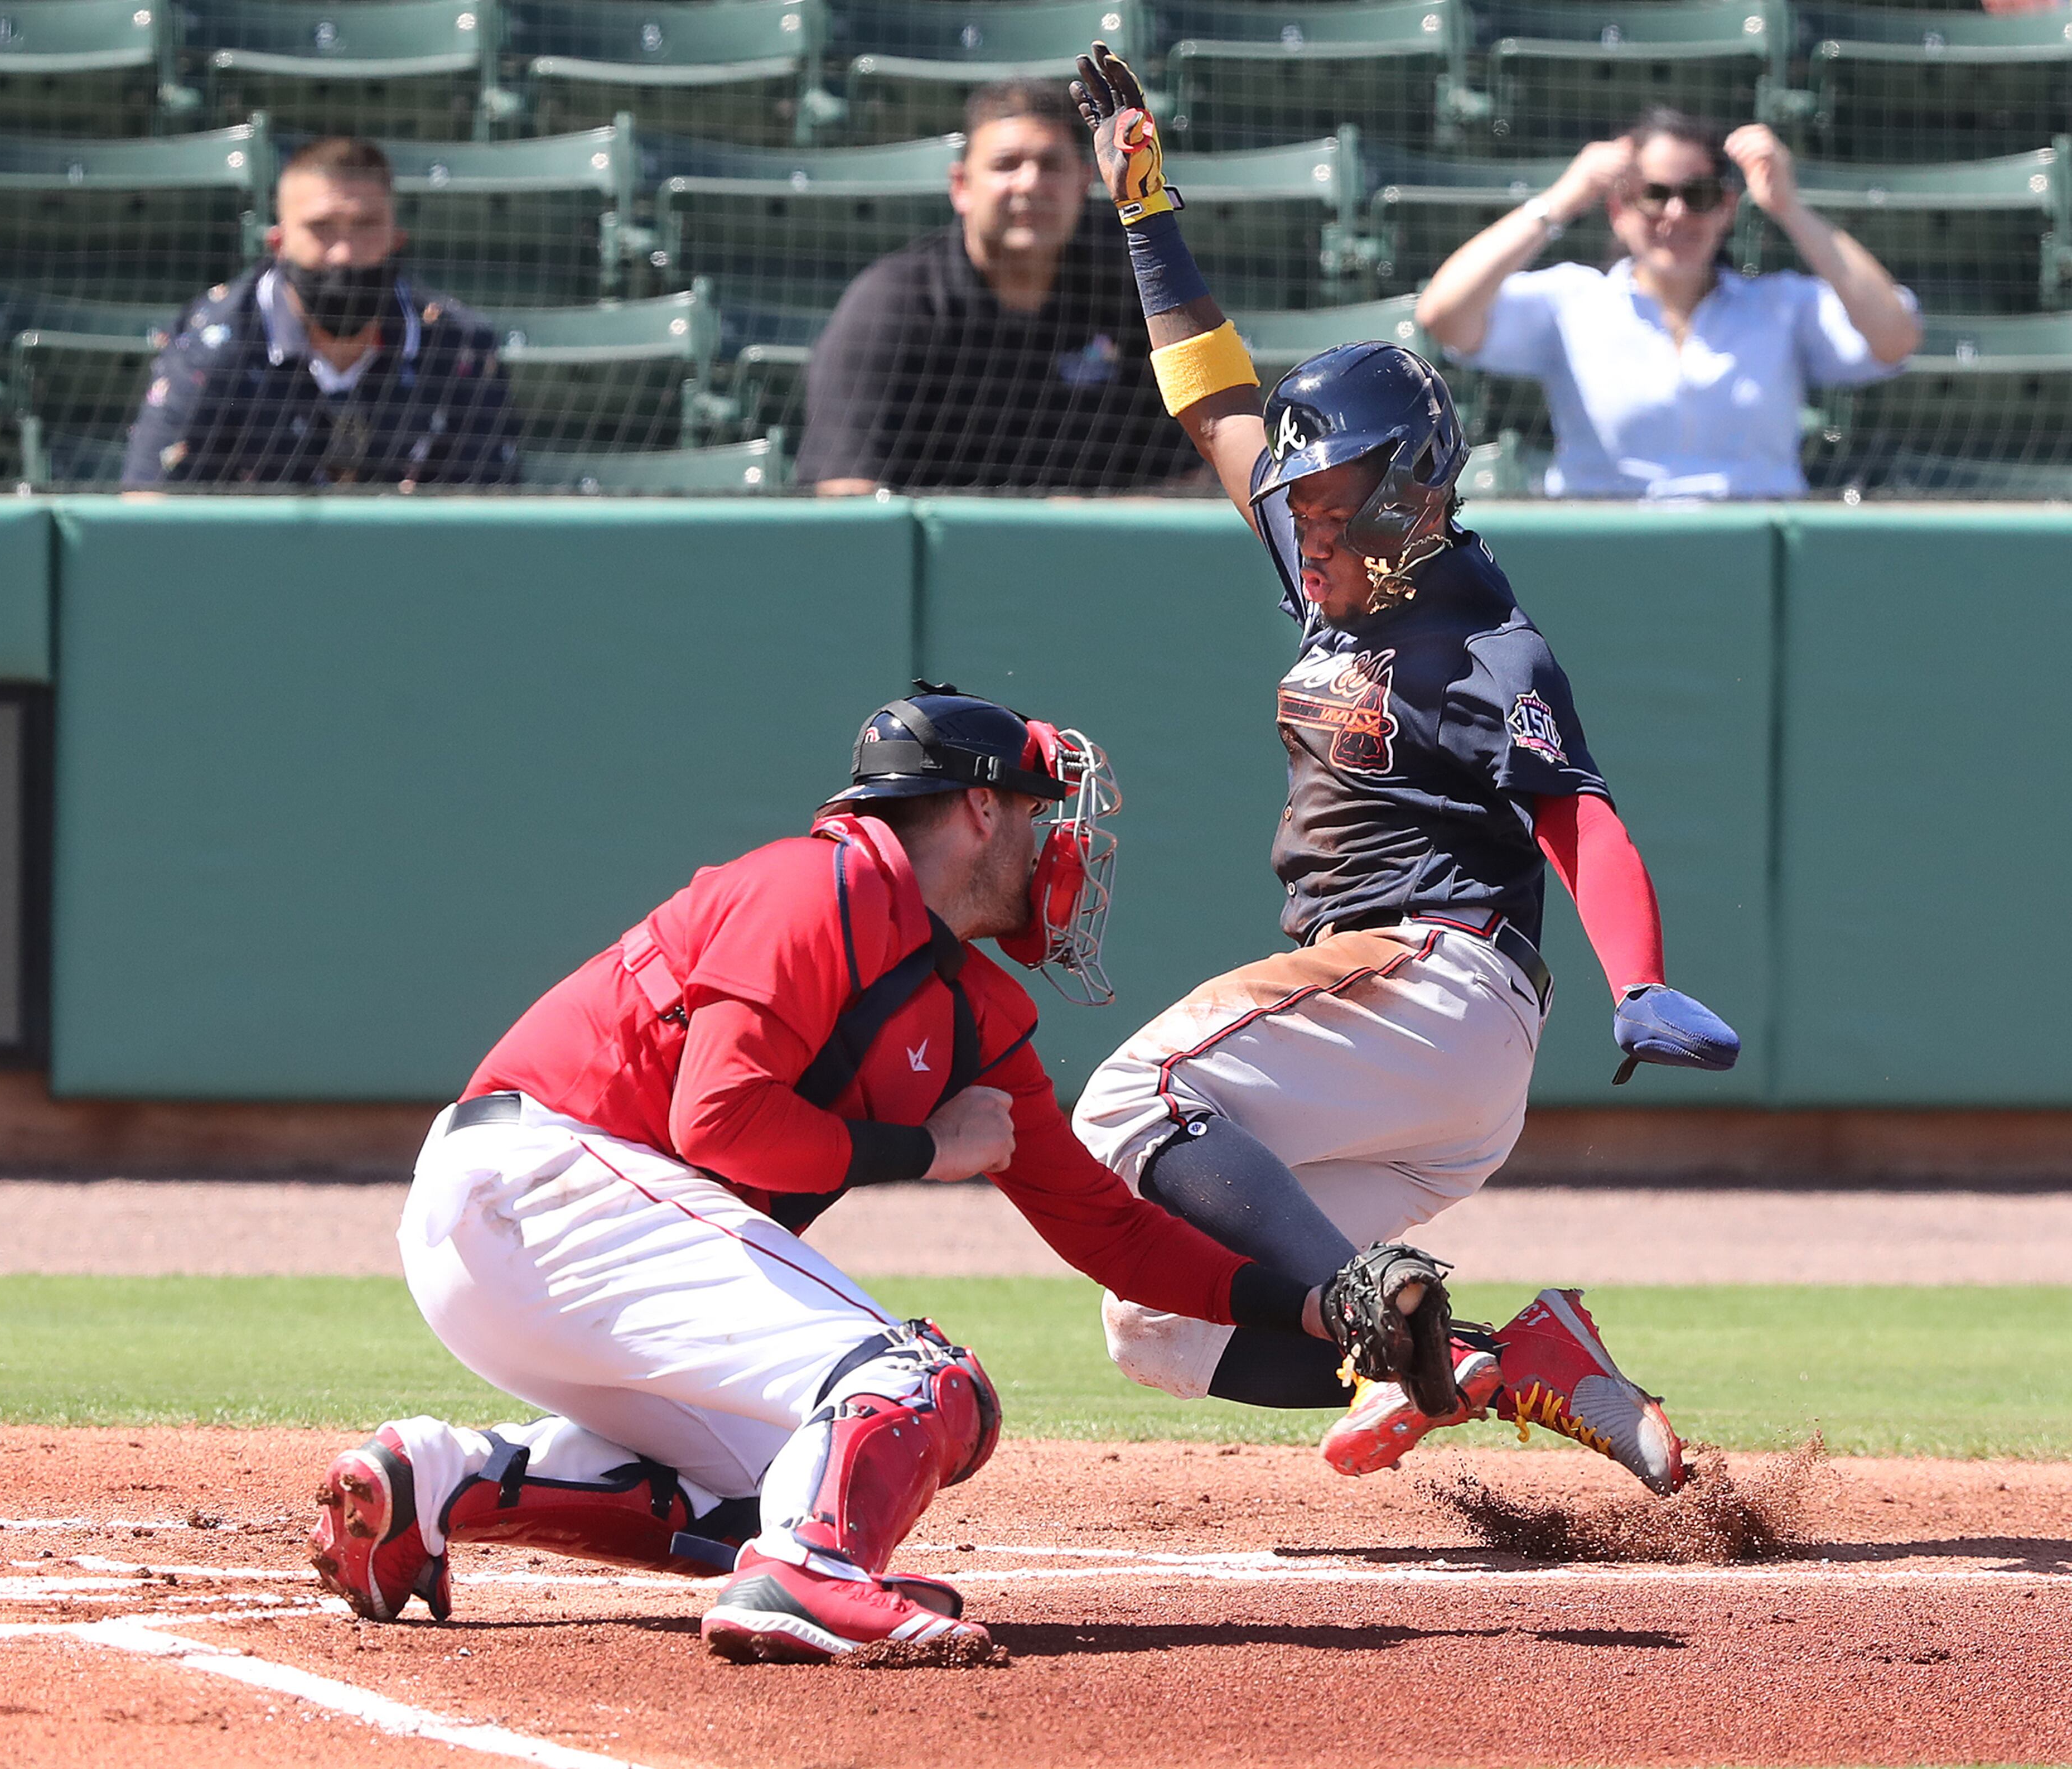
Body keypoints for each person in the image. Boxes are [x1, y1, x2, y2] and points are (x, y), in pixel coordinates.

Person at [307, 686, 1395, 1663]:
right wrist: (927, 1151)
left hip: (530, 1240)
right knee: (922, 1388)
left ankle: (434, 1484)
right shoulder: (814, 884)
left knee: (778, 1482)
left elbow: (1107, 1226)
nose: (1053, 842)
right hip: (539, 1180)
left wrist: (1311, 1304)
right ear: (978, 809)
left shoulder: (975, 1009)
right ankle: (813, 1578)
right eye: (1035, 811)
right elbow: (721, 1118)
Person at [1060, 46, 1742, 1491]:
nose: (1301, 516)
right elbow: (1212, 398)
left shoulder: (1484, 636)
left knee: (1128, 1101)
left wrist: (1638, 973)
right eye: (1295, 497)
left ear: (1414, 487)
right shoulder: (1334, 579)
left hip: (1440, 979)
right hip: (1408, 1063)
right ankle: (1507, 1358)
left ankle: (1391, 1326)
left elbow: (1580, 819)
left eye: (1329, 494)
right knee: (1154, 1318)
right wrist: (1145, 212)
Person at [1413, 109, 1921, 500]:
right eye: (1653, 194)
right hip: (1606, 553)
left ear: (1727, 209)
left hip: (1754, 556)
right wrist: (1563, 199)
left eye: (1698, 194)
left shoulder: (1781, 306)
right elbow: (1445, 315)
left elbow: (1894, 336)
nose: (1676, 214)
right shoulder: (1572, 301)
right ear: (1618, 209)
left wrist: (1790, 209)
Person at [796, 80, 1199, 494]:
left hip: (1101, 553)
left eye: (1051, 164)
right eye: (1006, 165)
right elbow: (844, 494)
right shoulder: (891, 305)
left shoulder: (1132, 295)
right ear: (961, 187)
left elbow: (1194, 478)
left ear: (1084, 182)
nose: (1029, 183)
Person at [122, 137, 519, 490]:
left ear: (397, 239)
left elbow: (489, 516)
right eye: (320, 228)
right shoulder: (210, 346)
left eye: (365, 225)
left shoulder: (458, 345)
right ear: (278, 242)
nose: (344, 254)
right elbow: (150, 507)